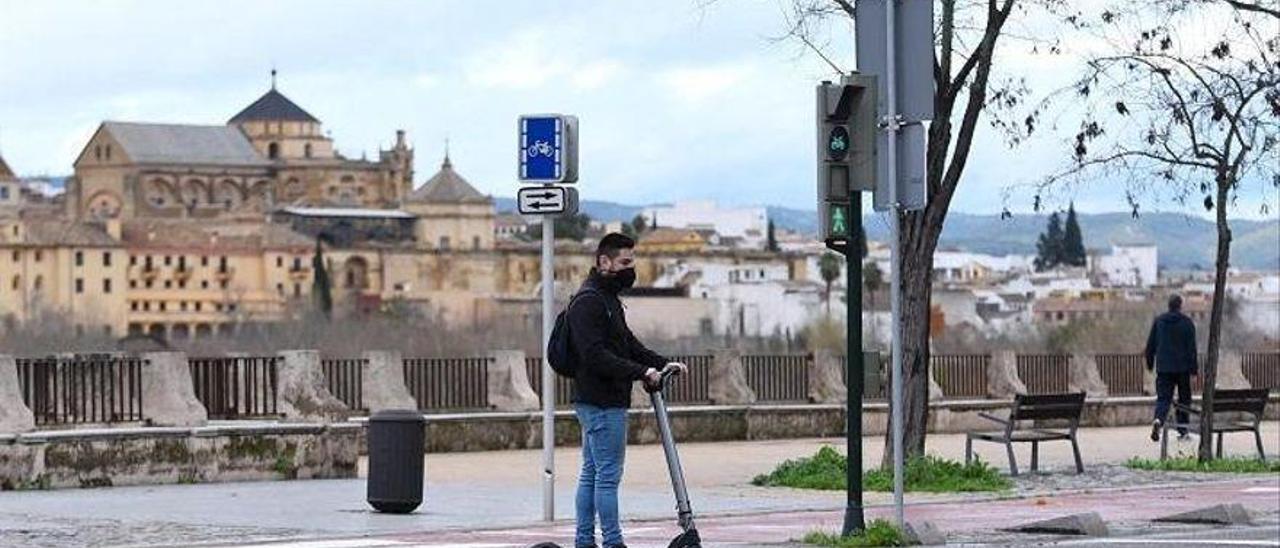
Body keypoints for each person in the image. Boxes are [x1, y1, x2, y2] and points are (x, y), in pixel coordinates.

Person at [567, 232, 686, 548]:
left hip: (600, 400)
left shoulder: (608, 299)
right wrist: (642, 372)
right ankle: (612, 542)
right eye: (625, 262)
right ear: (604, 262)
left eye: (632, 262)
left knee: (592, 473)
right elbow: (595, 356)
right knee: (606, 477)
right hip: (601, 402)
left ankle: (584, 541)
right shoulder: (589, 302)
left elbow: (627, 344)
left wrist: (661, 363)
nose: (630, 268)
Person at [1144, 294, 1198, 442]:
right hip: (1183, 368)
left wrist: (1150, 364)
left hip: (1164, 368)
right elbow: (1192, 349)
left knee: (1163, 398)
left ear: (1169, 306)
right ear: (1180, 306)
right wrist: (1194, 370)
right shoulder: (1187, 323)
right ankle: (1182, 430)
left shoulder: (1159, 322)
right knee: (1184, 399)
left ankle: (1158, 420)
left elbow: (1150, 346)